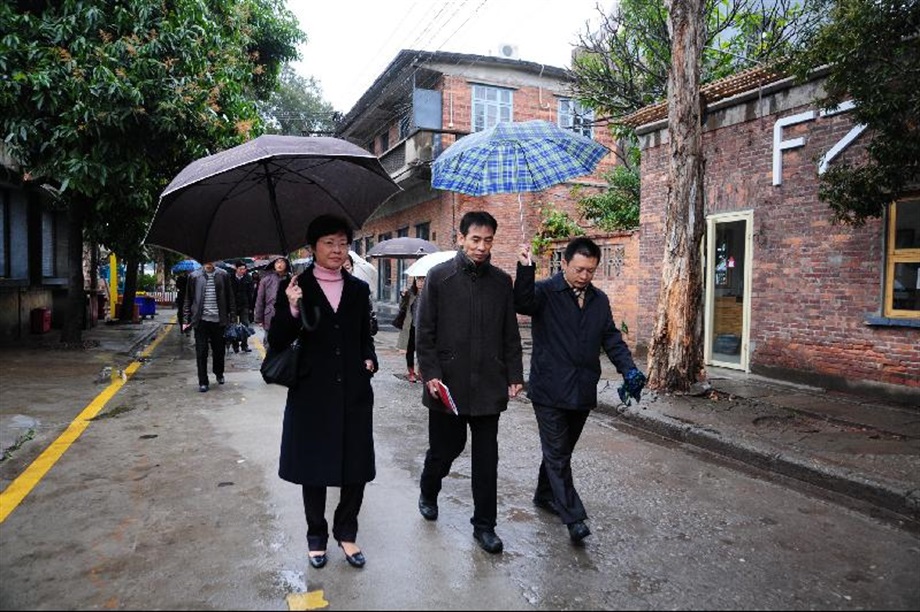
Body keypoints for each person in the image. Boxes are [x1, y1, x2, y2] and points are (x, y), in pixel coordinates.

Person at [514, 237, 647, 544]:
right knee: (558, 453)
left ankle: (543, 493)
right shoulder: (546, 292)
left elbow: (611, 337)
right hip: (548, 389)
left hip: (582, 389)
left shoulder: (599, 300)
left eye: (591, 270)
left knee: (562, 451)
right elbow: (521, 303)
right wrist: (525, 268)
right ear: (564, 264)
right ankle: (574, 518)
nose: (584, 276)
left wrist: (628, 369)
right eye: (579, 269)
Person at [269, 214, 378, 570]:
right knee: (313, 468)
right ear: (313, 247)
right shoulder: (298, 286)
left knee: (356, 468)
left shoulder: (359, 290)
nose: (337, 250)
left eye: (343, 243)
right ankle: (316, 537)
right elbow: (279, 340)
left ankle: (347, 533)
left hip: (353, 392)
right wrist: (290, 306)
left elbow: (366, 337)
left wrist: (369, 359)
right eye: (329, 243)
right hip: (312, 393)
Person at [415, 211, 524, 555]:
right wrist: (431, 373)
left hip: (488, 384)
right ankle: (429, 488)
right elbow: (425, 333)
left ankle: (484, 526)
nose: (481, 247)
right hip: (447, 384)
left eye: (487, 240)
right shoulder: (439, 277)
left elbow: (510, 334)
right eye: (475, 239)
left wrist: (515, 374)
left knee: (486, 459)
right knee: (445, 450)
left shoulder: (501, 282)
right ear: (460, 238)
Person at [182, 262, 236, 392]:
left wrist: (232, 318)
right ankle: (203, 381)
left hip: (219, 320)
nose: (209, 263)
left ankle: (219, 372)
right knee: (201, 351)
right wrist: (186, 319)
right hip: (201, 321)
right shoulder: (194, 276)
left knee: (219, 350)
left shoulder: (223, 275)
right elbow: (188, 299)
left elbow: (230, 298)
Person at [254, 256, 291, 348]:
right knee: (269, 342)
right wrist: (258, 318)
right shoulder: (266, 280)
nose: (279, 264)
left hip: (287, 315)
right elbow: (260, 300)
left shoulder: (291, 279)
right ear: (273, 265)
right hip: (270, 315)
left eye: (282, 262)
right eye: (277, 262)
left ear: (286, 264)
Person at [394, 276, 423, 382]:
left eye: (423, 280)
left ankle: (421, 372)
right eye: (419, 280)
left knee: (422, 350)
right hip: (410, 326)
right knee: (410, 350)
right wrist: (403, 296)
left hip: (423, 327)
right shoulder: (410, 293)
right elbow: (402, 307)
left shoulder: (429, 293)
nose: (421, 282)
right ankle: (411, 372)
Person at [230, 261, 254, 353]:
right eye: (240, 269)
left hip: (244, 304)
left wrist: (251, 307)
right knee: (234, 326)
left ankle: (244, 345)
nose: (242, 271)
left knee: (245, 325)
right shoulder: (230, 278)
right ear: (236, 269)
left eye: (244, 269)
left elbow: (250, 293)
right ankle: (235, 345)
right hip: (233, 305)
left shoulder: (248, 278)